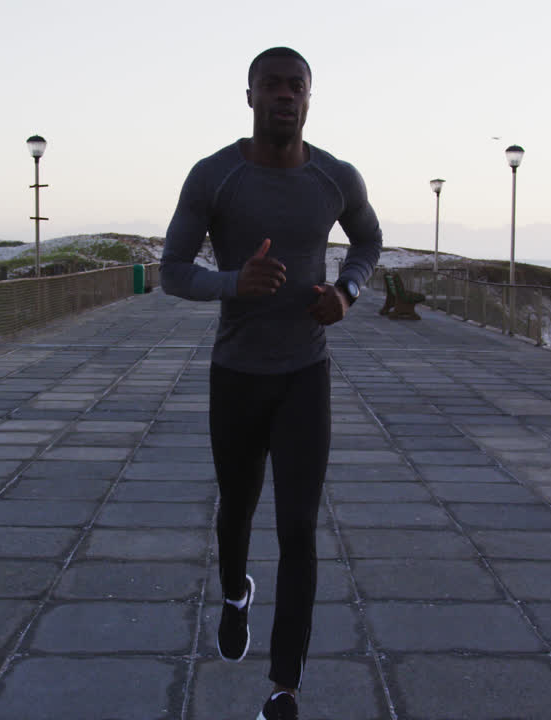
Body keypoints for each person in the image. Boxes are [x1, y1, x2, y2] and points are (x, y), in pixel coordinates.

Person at [160, 46, 382, 720]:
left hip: (304, 375)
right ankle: (235, 595)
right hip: (237, 375)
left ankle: (284, 689)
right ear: (251, 95)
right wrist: (234, 282)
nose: (285, 95)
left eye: (297, 85)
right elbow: (172, 270)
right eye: (273, 85)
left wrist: (346, 292)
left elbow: (368, 242)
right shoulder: (215, 176)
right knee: (236, 510)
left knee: (298, 529)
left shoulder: (335, 177)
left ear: (309, 97)